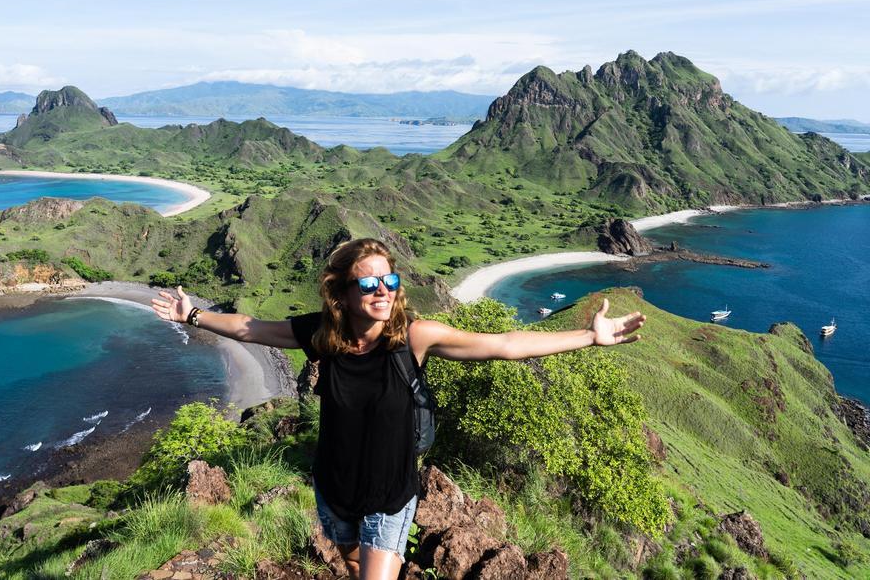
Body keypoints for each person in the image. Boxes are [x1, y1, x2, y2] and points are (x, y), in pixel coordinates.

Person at [151, 237, 644, 580]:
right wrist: (190, 314)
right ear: (342, 294)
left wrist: (588, 337)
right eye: (367, 284)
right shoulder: (324, 336)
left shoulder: (414, 337)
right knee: (348, 563)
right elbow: (249, 328)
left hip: (390, 497)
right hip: (334, 489)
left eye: (389, 280)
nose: (382, 291)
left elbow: (505, 344)